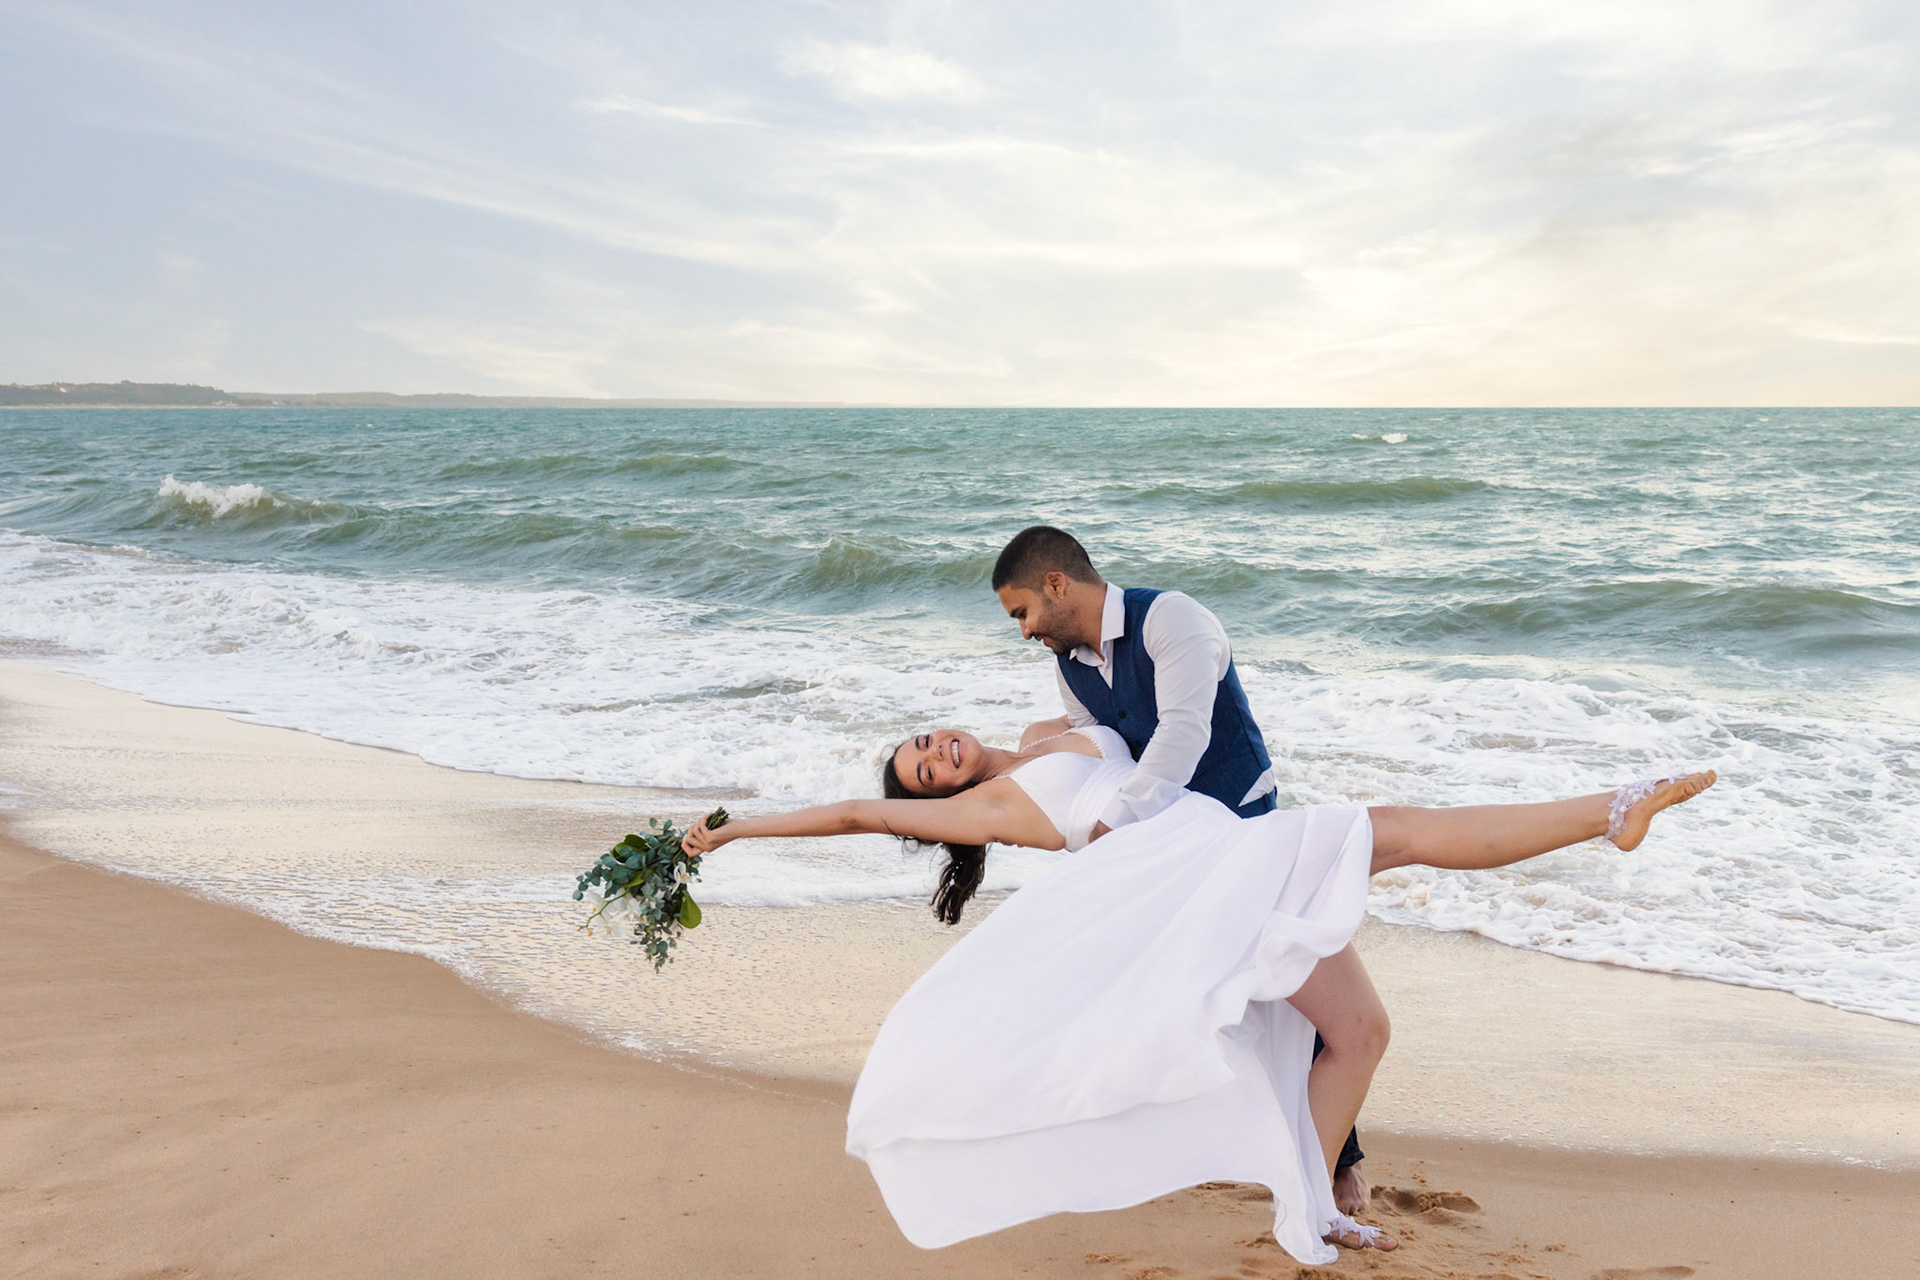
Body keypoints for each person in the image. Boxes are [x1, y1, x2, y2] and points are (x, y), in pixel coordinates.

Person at [684, 719, 1715, 1263]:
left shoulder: (1047, 731)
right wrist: (733, 832)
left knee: (1358, 1031)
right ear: (942, 800)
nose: (934, 753)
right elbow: (857, 817)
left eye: (926, 739)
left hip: (1214, 858)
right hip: (1199, 879)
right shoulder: (995, 804)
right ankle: (1610, 807)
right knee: (1390, 829)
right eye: (924, 771)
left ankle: (1312, 1207)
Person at [990, 524, 1373, 1209]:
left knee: (1289, 987)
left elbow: (1184, 732)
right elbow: (1109, 746)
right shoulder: (1069, 663)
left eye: (1022, 612)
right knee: (1206, 997)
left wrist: (1118, 826)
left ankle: (1336, 1167)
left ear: (1056, 584)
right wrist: (1029, 764)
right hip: (1171, 843)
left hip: (1243, 825)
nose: (1024, 631)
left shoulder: (1173, 618)